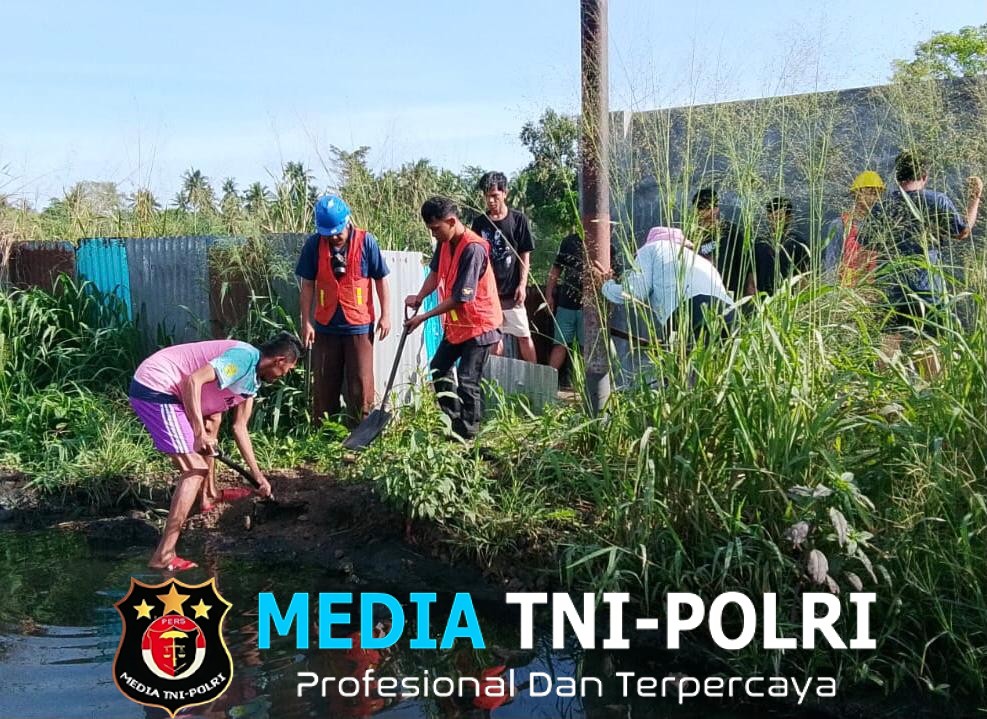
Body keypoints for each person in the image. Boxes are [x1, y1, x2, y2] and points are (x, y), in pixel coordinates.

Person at [129, 332, 302, 571]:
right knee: (195, 469)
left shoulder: (253, 381)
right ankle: (164, 555)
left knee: (213, 422)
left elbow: (239, 428)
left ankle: (208, 496)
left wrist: (258, 476)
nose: (284, 376)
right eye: (287, 370)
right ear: (279, 360)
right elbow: (193, 381)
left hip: (174, 392)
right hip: (157, 386)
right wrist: (198, 432)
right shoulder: (243, 358)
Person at [866, 149, 982, 373]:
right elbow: (962, 231)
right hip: (927, 287)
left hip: (892, 286)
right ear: (925, 176)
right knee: (927, 344)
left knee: (888, 343)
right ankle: (931, 392)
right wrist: (974, 197)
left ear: (897, 177)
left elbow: (867, 242)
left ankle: (877, 391)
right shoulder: (936, 200)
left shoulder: (882, 205)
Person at [405, 197, 503, 440]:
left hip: (480, 324)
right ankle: (454, 423)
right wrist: (419, 297)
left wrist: (424, 317)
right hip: (459, 325)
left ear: (451, 221)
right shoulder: (445, 242)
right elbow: (435, 273)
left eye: (436, 228)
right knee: (438, 369)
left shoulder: (473, 248)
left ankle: (469, 436)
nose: (433, 234)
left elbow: (461, 298)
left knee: (468, 380)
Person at [296, 194, 390, 425]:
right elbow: (307, 284)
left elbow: (381, 279)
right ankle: (324, 431)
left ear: (347, 222)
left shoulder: (366, 242)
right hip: (325, 325)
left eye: (337, 232)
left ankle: (362, 431)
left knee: (361, 384)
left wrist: (386, 315)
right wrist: (306, 322)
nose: (333, 237)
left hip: (359, 325)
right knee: (324, 384)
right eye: (328, 234)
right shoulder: (313, 245)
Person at [594, 226, 735, 344]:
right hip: (731, 314)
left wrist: (606, 285)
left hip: (691, 311)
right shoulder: (700, 260)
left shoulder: (650, 249)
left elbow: (634, 292)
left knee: (683, 367)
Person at [470, 171, 537, 362]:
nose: (490, 201)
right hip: (489, 295)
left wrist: (522, 285)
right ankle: (498, 378)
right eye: (487, 196)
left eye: (494, 195)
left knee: (524, 336)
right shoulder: (479, 223)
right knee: (494, 339)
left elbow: (525, 255)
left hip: (512, 294)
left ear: (504, 193)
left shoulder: (518, 220)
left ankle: (534, 376)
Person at [822, 171, 886, 285]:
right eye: (871, 193)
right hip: (847, 290)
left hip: (875, 289)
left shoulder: (882, 225)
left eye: (878, 194)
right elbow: (831, 263)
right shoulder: (840, 224)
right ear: (857, 194)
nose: (876, 198)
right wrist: (831, 290)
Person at [692, 187, 754, 297]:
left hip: (732, 290)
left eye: (712, 207)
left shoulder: (730, 230)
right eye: (703, 208)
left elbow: (747, 260)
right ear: (696, 211)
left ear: (717, 208)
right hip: (705, 291)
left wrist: (750, 285)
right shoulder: (692, 235)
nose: (709, 212)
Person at [545, 232, 584, 371]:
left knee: (587, 347)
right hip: (566, 304)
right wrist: (548, 295)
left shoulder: (605, 242)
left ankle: (586, 383)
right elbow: (556, 269)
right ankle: (548, 380)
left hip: (590, 307)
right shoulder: (569, 241)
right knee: (559, 344)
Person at [755, 196, 810, 295]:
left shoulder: (798, 244)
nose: (776, 221)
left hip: (789, 297)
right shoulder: (760, 243)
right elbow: (752, 273)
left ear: (789, 218)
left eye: (780, 217)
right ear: (768, 217)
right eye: (773, 217)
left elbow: (804, 275)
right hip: (763, 297)